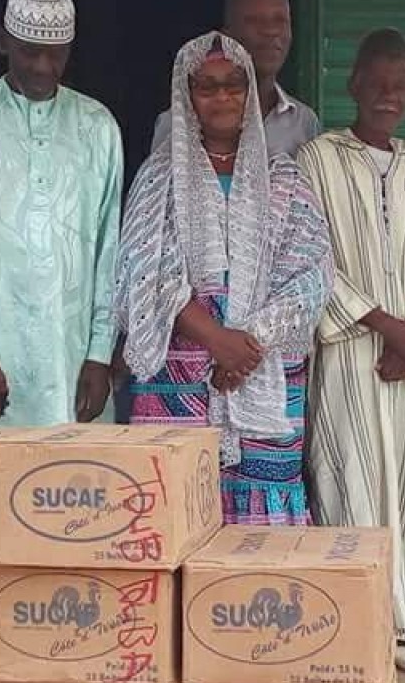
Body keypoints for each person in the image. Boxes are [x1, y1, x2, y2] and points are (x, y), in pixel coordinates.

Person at [116, 32, 332, 525]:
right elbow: (143, 271)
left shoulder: (285, 177)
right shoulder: (159, 177)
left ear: (250, 91)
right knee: (174, 507)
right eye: (207, 87)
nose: (221, 98)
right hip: (181, 369)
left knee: (261, 515)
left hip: (263, 366)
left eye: (234, 85)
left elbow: (311, 275)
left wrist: (246, 345)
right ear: (186, 96)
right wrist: (216, 339)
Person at [299, 28, 405, 680]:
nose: (388, 94)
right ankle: (363, 625)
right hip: (350, 351)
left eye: (401, 84)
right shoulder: (317, 159)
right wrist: (384, 324)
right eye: (377, 81)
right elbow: (309, 256)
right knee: (351, 481)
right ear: (352, 84)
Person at [0, 0, 123, 427]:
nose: (43, 66)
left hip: (73, 358)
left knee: (77, 483)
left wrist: (99, 353)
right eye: (29, 52)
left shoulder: (97, 125)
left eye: (56, 54)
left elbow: (111, 248)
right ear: (3, 43)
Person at [151, 0, 319, 159]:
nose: (271, 31)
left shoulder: (304, 122)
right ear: (227, 36)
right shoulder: (179, 123)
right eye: (255, 21)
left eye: (280, 20)